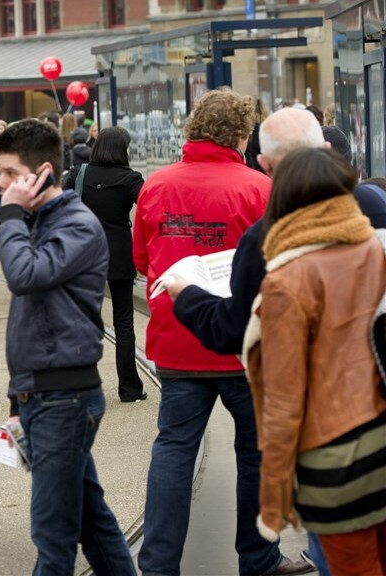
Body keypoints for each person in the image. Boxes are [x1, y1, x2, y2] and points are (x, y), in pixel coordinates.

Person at [162, 107, 386, 576]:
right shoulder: (371, 215)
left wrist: (188, 297)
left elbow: (239, 331)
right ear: (327, 150)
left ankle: (163, 563)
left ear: (264, 163)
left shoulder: (269, 241)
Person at [134, 90, 313, 576]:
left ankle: (158, 565)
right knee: (255, 454)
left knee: (173, 449)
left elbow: (143, 262)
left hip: (178, 337)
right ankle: (258, 558)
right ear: (240, 135)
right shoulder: (259, 188)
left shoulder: (156, 185)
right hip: (244, 344)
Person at [0, 119, 134, 576]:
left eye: (11, 174)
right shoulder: (38, 221)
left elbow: (24, 276)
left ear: (44, 173)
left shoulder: (76, 224)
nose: (1, 185)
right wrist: (17, 399)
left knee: (52, 537)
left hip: (65, 398)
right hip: (42, 392)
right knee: (94, 523)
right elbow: (29, 318)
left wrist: (10, 217)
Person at [243, 147, 386, 576]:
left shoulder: (287, 280)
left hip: (337, 462)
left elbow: (284, 400)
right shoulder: (376, 251)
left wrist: (274, 498)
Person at [75, 127, 147, 402]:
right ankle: (129, 388)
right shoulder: (130, 178)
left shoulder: (79, 174)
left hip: (85, 254)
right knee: (124, 323)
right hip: (119, 254)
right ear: (121, 149)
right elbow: (149, 207)